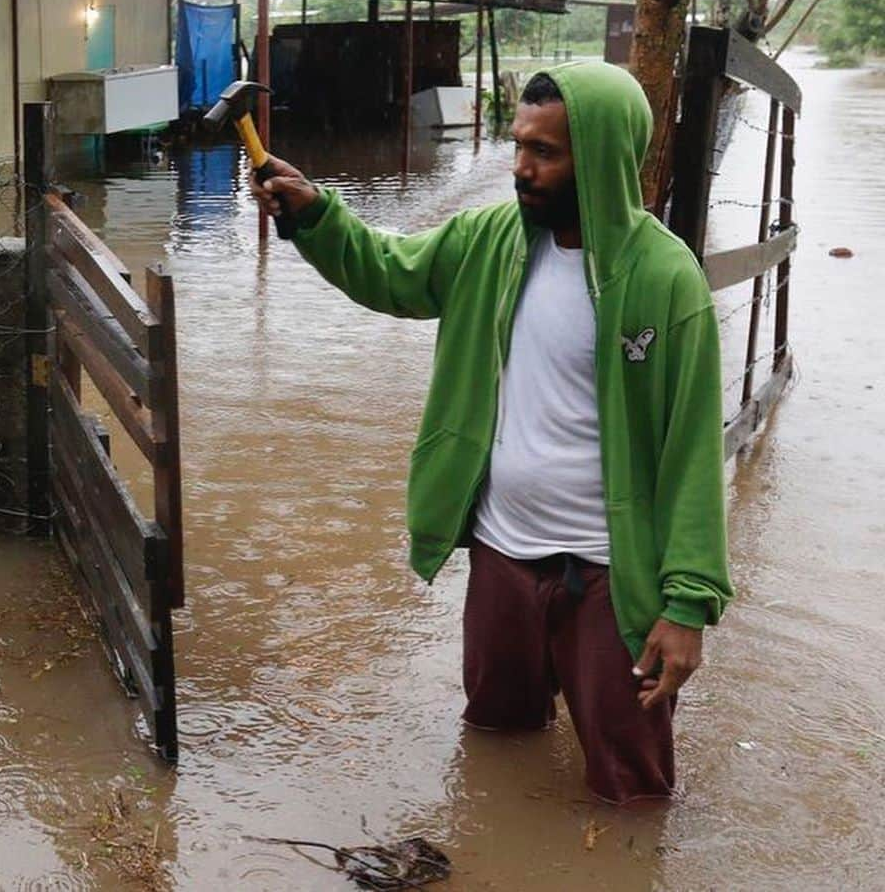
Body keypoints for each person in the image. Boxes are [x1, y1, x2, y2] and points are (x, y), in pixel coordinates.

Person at [249, 62, 733, 804]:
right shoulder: (492, 240)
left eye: (545, 152)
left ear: (599, 158)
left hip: (613, 576)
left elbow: (692, 452)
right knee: (496, 744)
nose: (521, 169)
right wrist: (316, 214)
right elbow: (391, 273)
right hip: (504, 555)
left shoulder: (666, 279)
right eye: (519, 145)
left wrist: (688, 604)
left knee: (630, 788)